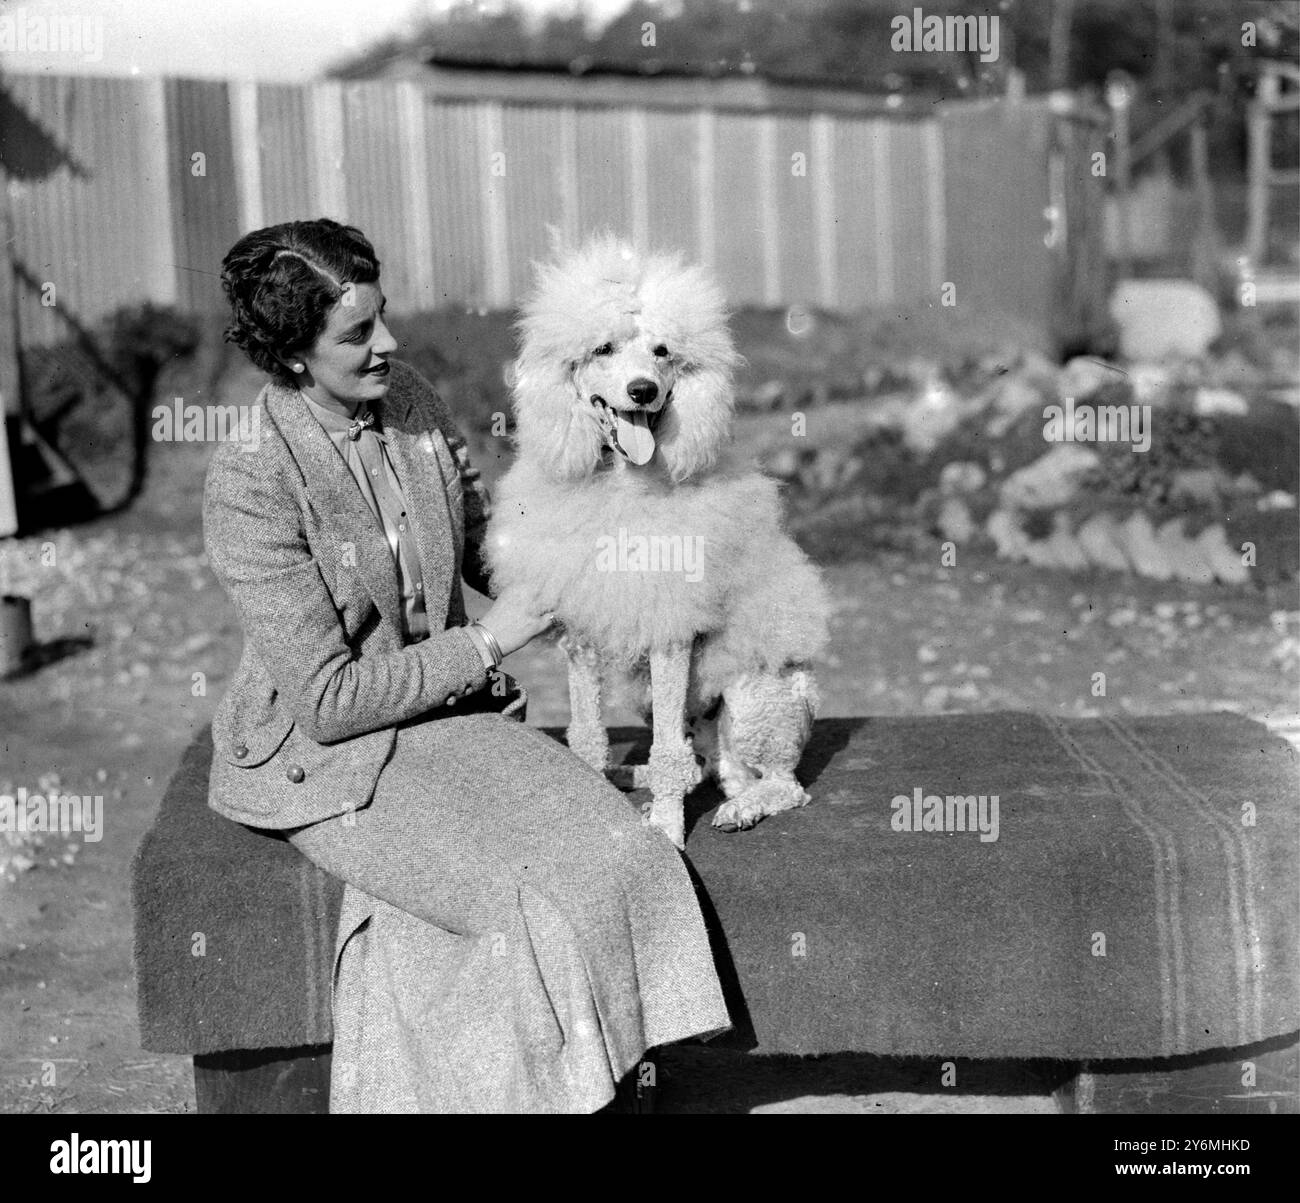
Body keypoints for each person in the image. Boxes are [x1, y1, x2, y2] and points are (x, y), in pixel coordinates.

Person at [203, 218, 730, 1111]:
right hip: (328, 756)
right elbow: (330, 700)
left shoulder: (407, 398)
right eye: (358, 333)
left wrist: (601, 533)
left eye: (384, 317)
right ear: (293, 356)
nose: (390, 343)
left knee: (620, 856)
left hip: (449, 715)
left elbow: (490, 549)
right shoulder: (251, 478)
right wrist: (491, 640)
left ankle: (609, 1081)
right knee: (526, 914)